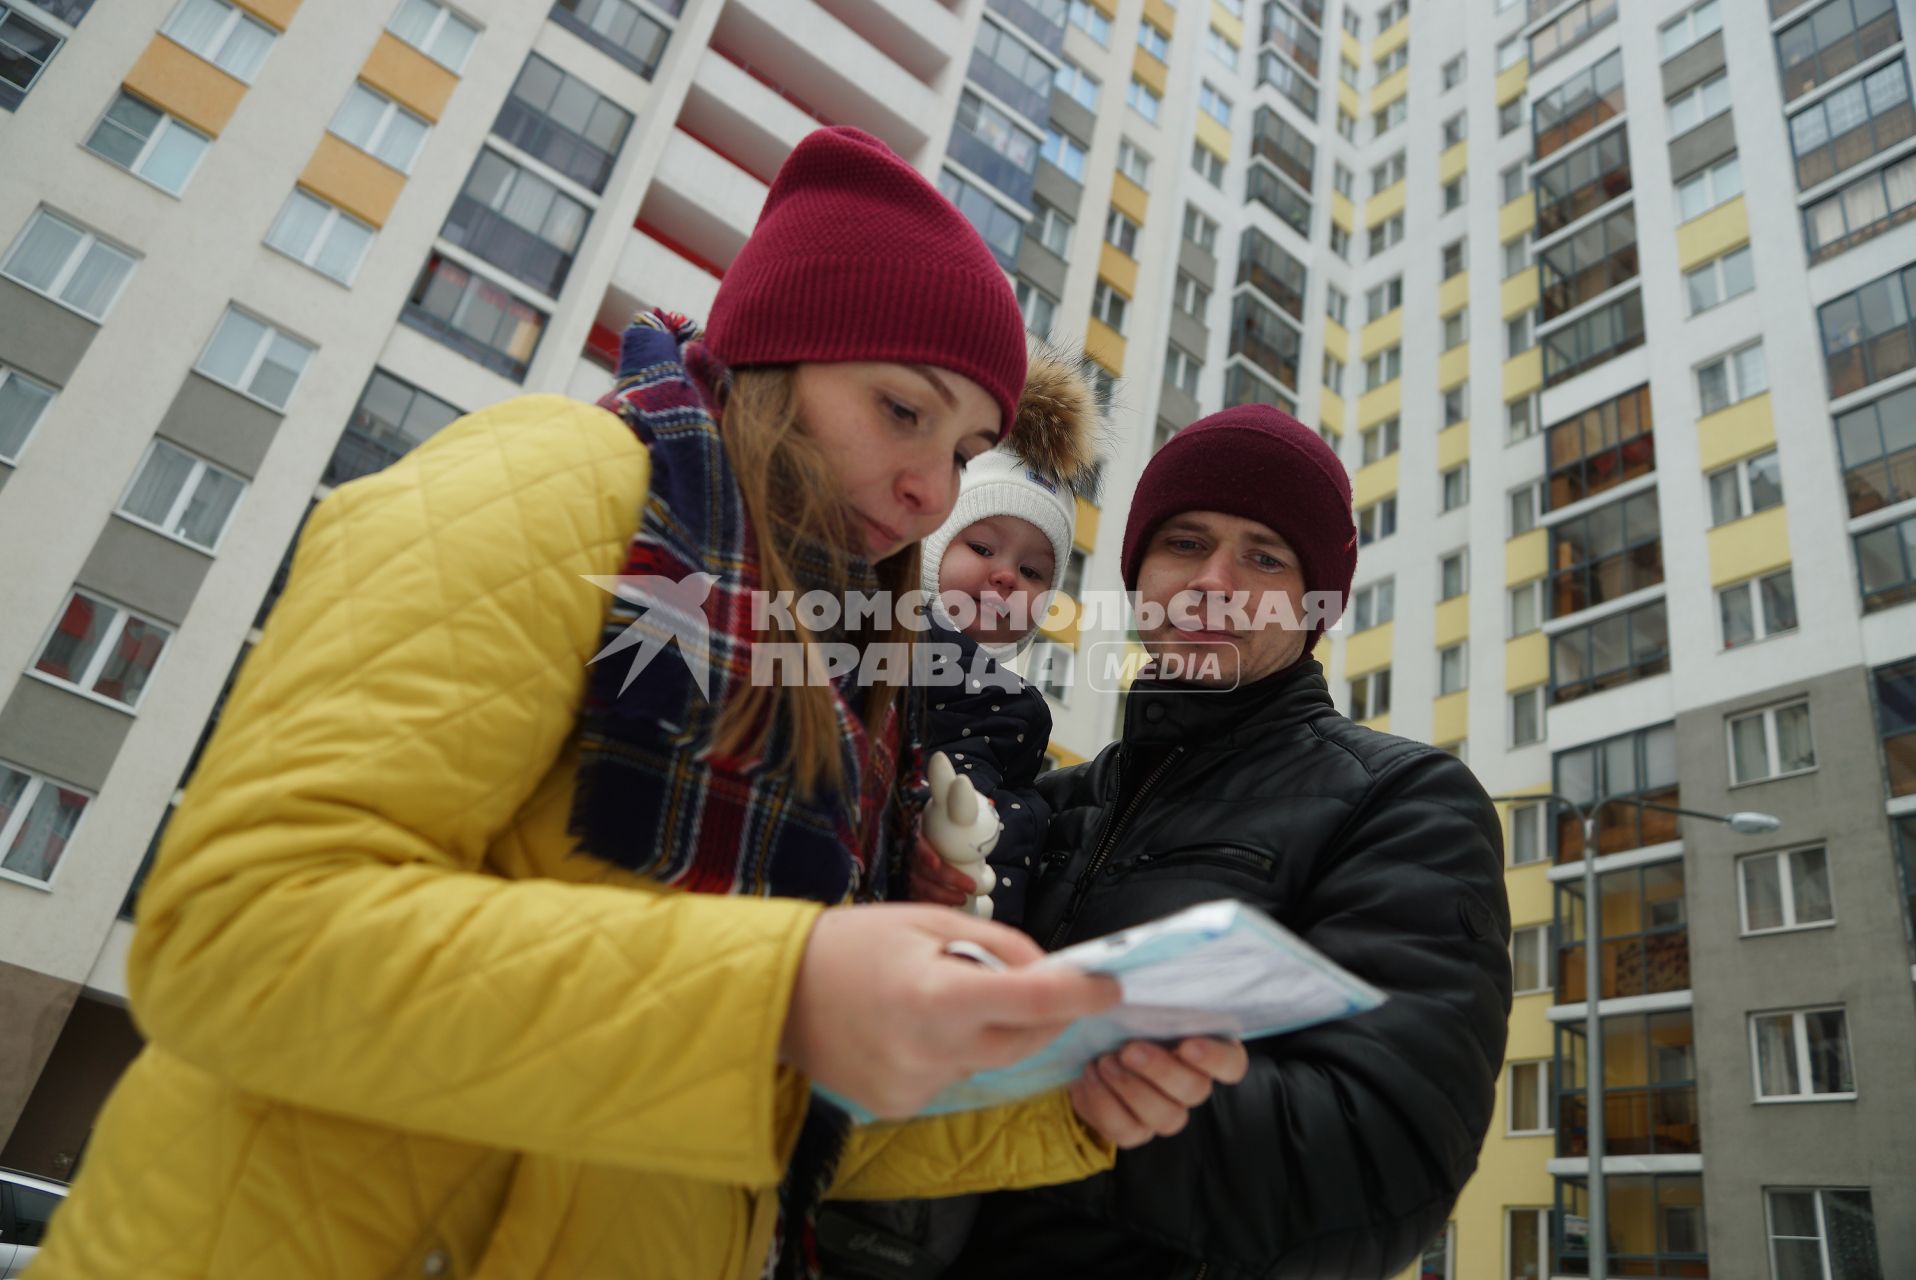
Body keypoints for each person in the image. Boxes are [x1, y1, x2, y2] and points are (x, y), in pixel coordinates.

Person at [28, 128, 1246, 1280]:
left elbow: (773, 1120)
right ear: (779, 356)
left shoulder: (829, 676)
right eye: (900, 408)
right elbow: (240, 935)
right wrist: (786, 985)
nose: (930, 488)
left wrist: (1067, 1095)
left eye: (965, 441)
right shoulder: (551, 484)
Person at [935, 405, 1513, 1279]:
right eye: (1185, 542)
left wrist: (1037, 1077)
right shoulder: (1043, 804)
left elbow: (1386, 1155)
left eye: (1265, 556)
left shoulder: (1398, 803)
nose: (1215, 580)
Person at [912, 341, 1103, 924]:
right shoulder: (876, 653)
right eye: (981, 546)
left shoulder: (1015, 718)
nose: (1004, 576)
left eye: (1032, 571)